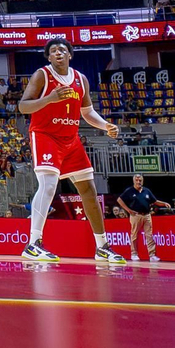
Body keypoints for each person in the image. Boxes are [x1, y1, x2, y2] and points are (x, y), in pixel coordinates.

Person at [19, 39, 127, 264]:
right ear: (48, 57)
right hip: (45, 135)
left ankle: (102, 247)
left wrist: (105, 125)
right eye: (53, 51)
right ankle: (33, 244)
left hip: (71, 139)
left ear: (70, 54)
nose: (58, 53)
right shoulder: (42, 75)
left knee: (88, 189)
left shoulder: (81, 79)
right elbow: (23, 106)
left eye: (62, 50)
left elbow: (87, 113)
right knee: (48, 185)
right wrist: (49, 99)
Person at [118, 173, 161, 261]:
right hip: (135, 215)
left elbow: (155, 201)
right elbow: (119, 200)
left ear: (143, 181)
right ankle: (134, 254)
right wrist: (128, 210)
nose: (138, 182)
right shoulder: (130, 190)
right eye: (137, 180)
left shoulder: (146, 191)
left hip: (147, 215)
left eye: (140, 180)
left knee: (149, 235)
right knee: (134, 235)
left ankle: (152, 255)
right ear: (134, 181)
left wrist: (164, 203)